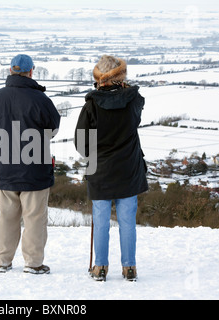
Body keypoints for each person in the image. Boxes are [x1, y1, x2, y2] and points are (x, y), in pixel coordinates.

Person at [0, 54, 61, 275]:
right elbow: (53, 130)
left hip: (5, 164)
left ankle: (3, 261)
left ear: (10, 71)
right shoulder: (42, 100)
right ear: (31, 71)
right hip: (35, 167)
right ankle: (33, 263)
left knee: (5, 216)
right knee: (35, 216)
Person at [74, 55, 148, 282]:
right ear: (121, 76)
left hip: (100, 168)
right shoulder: (134, 101)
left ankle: (100, 267)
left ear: (99, 78)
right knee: (127, 221)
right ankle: (129, 267)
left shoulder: (92, 105)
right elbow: (137, 109)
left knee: (101, 220)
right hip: (128, 167)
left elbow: (81, 143)